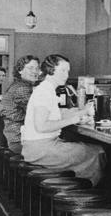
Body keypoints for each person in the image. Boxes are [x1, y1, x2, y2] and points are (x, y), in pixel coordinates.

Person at [21, 54, 105, 186]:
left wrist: (80, 112)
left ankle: (80, 188)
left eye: (68, 71)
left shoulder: (46, 89)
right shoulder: (44, 92)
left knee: (88, 149)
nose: (66, 75)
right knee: (97, 151)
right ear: (51, 70)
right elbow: (41, 126)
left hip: (38, 146)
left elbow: (55, 114)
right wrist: (74, 119)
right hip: (41, 149)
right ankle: (85, 192)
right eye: (63, 71)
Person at [0, 55, 41, 153]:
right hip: (19, 140)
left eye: (37, 68)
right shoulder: (22, 88)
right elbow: (38, 114)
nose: (35, 71)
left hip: (12, 136)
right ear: (20, 70)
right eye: (30, 68)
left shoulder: (19, 85)